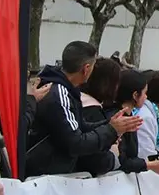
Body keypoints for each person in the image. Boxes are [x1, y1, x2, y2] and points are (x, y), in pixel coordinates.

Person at [25, 42, 141, 178]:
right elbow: (75, 142)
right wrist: (111, 130)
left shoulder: (68, 89)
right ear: (86, 69)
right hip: (45, 175)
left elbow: (80, 125)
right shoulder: (60, 93)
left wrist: (110, 124)